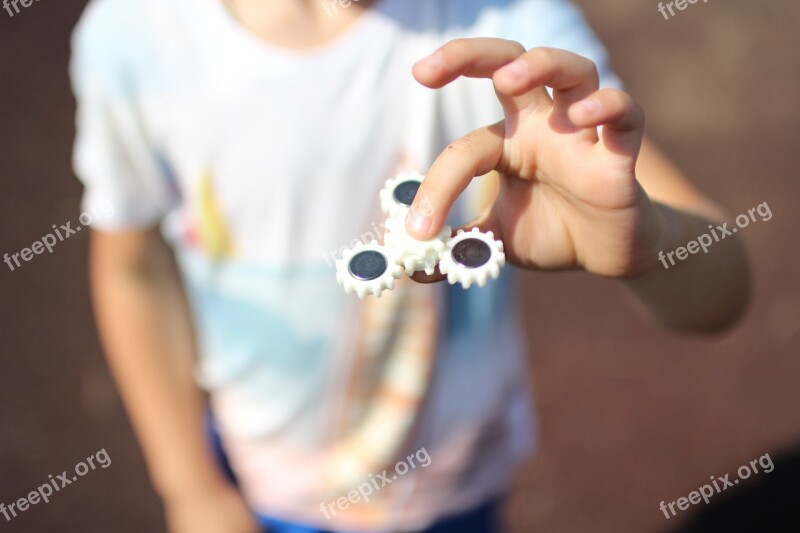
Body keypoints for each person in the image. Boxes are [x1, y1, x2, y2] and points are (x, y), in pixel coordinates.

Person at [70, 0, 750, 531]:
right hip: (253, 477)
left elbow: (723, 288)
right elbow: (135, 267)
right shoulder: (133, 38)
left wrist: (645, 237)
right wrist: (188, 485)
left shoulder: (505, 27)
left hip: (450, 482)